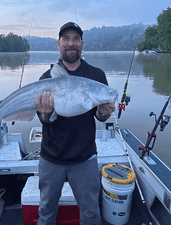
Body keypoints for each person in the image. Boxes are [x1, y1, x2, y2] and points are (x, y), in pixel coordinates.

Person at [35, 22, 116, 225]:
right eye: (66, 39)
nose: (71, 43)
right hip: (51, 157)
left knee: (90, 213)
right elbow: (44, 120)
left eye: (76, 39)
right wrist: (46, 114)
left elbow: (100, 116)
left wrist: (104, 114)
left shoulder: (96, 76)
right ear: (58, 43)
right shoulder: (46, 78)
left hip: (85, 157)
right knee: (46, 212)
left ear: (82, 43)